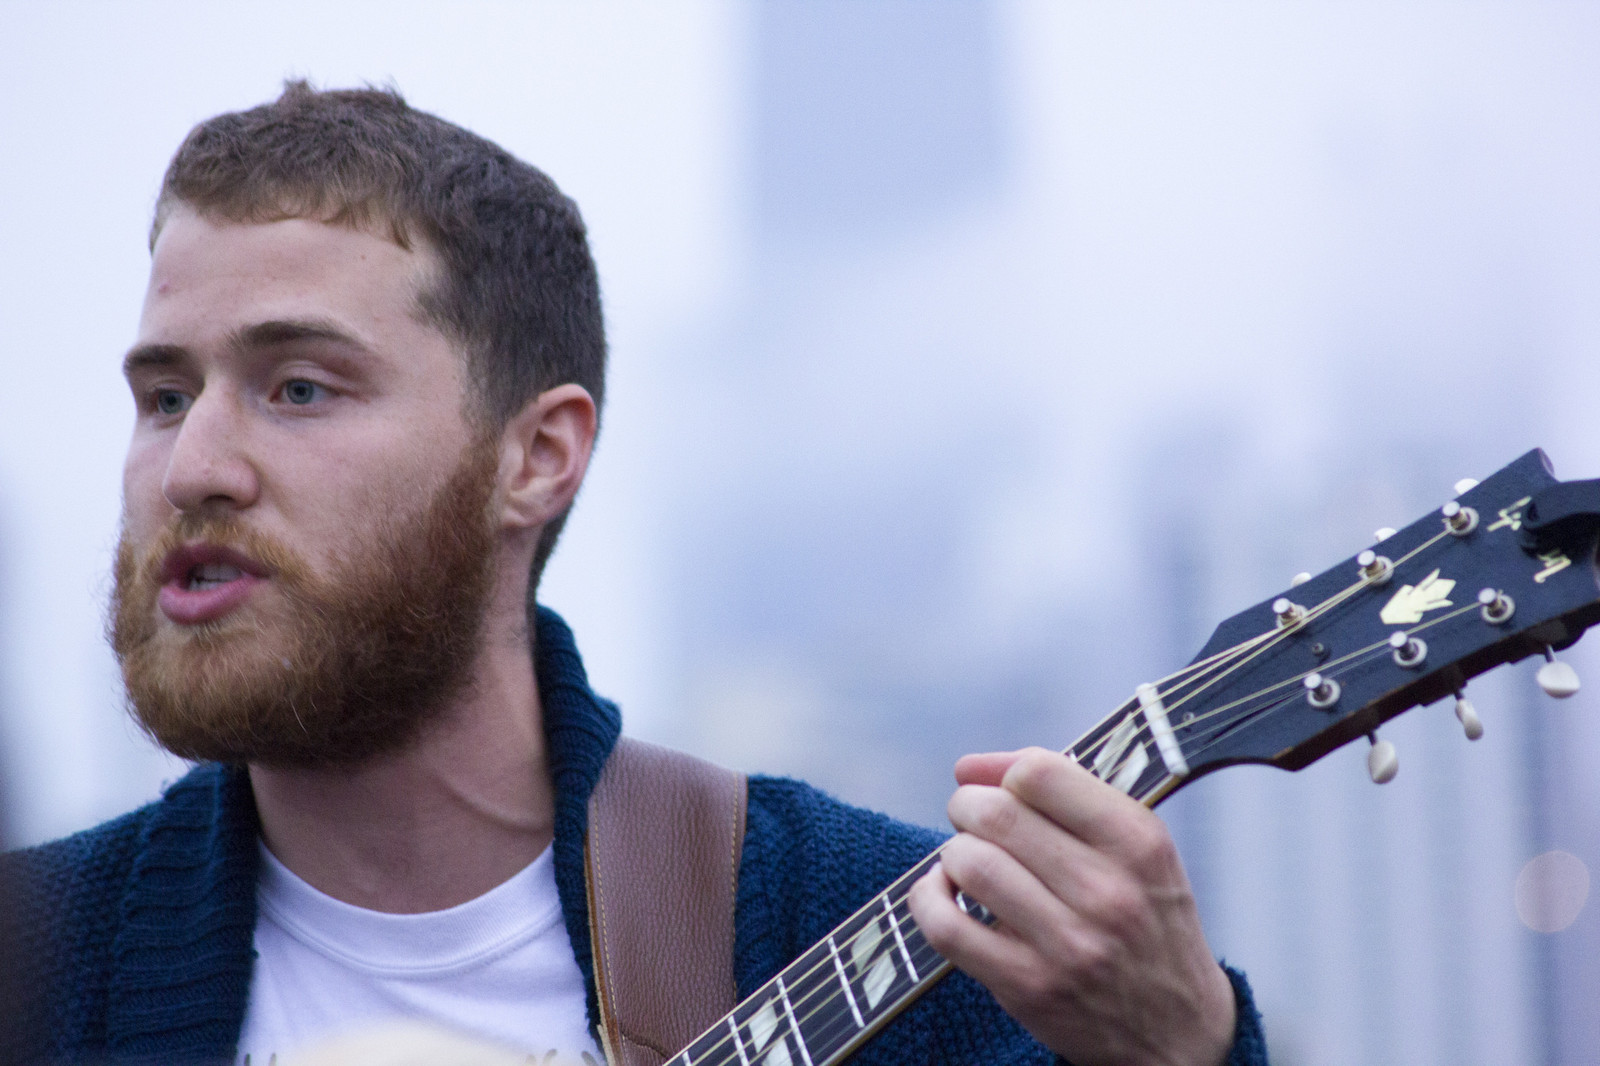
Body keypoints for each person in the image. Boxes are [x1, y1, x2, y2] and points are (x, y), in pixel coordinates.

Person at [1, 83, 1267, 1066]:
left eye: (299, 387)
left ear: (535, 457)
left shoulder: (877, 936)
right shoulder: (33, 960)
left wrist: (1182, 1047)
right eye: (165, 395)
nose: (194, 467)